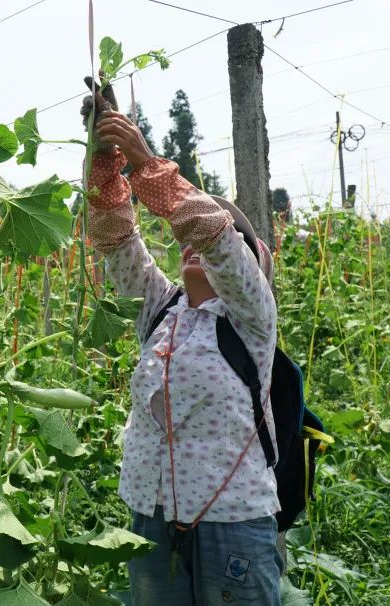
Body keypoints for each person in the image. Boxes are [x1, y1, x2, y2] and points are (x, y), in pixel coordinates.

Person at [80, 83, 283, 604]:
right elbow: (117, 241)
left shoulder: (250, 315)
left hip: (233, 521)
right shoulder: (162, 309)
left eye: (221, 240)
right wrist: (105, 155)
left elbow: (214, 234)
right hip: (150, 517)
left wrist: (148, 162)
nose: (195, 244)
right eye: (186, 241)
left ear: (252, 259)